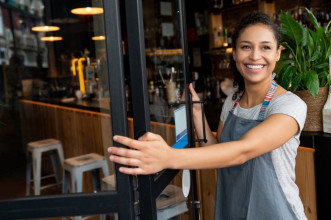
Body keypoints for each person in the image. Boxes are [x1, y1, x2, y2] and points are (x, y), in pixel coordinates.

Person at [108, 12, 307, 220]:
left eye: (265, 47)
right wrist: (197, 114)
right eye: (246, 46)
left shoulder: (289, 105)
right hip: (232, 210)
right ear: (234, 53)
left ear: (277, 53)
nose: (255, 56)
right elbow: (218, 153)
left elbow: (243, 151)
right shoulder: (233, 101)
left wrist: (168, 157)